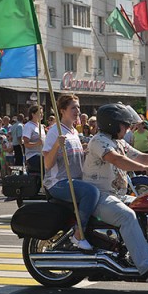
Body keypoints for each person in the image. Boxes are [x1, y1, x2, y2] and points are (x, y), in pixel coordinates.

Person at [83, 103, 148, 279]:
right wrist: (145, 168)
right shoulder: (99, 141)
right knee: (126, 217)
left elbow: (142, 155)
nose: (128, 128)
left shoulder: (119, 142)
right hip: (100, 196)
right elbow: (117, 159)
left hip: (118, 195)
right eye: (125, 124)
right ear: (112, 124)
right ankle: (147, 266)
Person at [42, 94, 100, 251]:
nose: (77, 110)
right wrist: (56, 146)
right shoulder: (55, 131)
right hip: (58, 182)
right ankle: (78, 234)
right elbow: (47, 164)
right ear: (62, 110)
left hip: (75, 180)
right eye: (73, 107)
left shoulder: (74, 131)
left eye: (78, 107)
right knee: (91, 192)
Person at [23, 105, 45, 174]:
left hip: (42, 154)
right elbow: (26, 143)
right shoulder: (28, 126)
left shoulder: (41, 126)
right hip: (33, 155)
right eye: (39, 113)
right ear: (33, 114)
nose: (42, 115)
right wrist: (37, 144)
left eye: (42, 113)